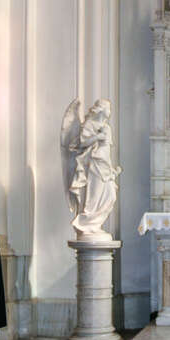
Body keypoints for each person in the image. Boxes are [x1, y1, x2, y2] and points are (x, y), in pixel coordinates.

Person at [62, 98, 121, 239]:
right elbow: (82, 142)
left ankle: (94, 224)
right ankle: (87, 223)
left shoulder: (107, 127)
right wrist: (97, 136)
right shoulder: (89, 124)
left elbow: (106, 150)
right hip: (94, 164)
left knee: (111, 195)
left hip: (104, 165)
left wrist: (112, 168)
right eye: (108, 108)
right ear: (101, 110)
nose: (110, 111)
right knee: (94, 196)